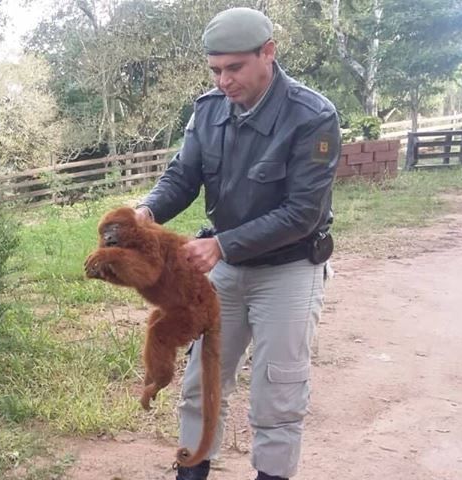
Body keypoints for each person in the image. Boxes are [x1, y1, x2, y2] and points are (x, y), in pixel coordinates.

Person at [134, 8, 340, 480]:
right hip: (224, 268)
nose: (224, 81)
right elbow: (182, 176)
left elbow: (302, 213)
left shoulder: (312, 116)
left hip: (288, 268)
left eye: (234, 68)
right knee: (200, 382)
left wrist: (222, 245)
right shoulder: (208, 111)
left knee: (278, 393)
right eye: (215, 70)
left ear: (268, 52)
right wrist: (147, 212)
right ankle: (192, 470)